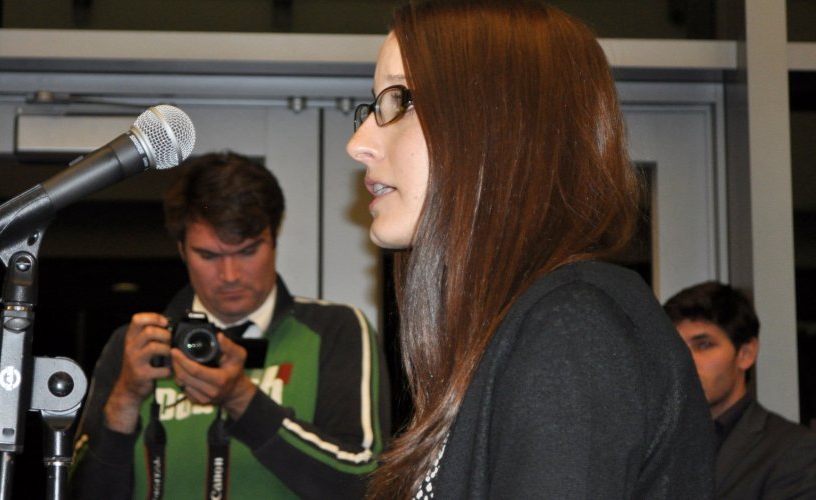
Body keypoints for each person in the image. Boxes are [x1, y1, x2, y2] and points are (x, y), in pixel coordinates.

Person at [346, 1, 714, 498]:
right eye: (373, 107)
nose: (359, 142)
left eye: (400, 100)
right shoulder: (516, 328)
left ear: (502, 123)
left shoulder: (571, 325)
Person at [70, 151, 391, 499]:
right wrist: (125, 400)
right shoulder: (139, 346)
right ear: (182, 250)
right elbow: (80, 493)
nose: (230, 275)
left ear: (274, 238)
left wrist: (244, 401)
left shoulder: (335, 330)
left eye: (247, 251)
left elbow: (367, 484)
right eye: (208, 256)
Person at [664, 281, 816, 499]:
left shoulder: (792, 449)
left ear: (746, 354)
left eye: (703, 345)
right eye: (676, 347)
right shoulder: (655, 440)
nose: (685, 361)